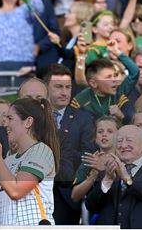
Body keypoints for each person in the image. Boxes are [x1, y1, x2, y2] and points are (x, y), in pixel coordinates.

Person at [0, 98, 60, 225]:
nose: (5, 124)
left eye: (10, 118)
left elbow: (15, 191)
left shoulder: (41, 151)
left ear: (28, 122)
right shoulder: (9, 158)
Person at [85, 125, 142, 228]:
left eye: (129, 140)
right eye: (119, 141)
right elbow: (91, 206)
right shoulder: (108, 171)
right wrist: (107, 180)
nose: (123, 145)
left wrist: (128, 179)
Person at [44, 64, 95, 225]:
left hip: (68, 196)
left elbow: (87, 155)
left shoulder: (84, 118)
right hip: (34, 193)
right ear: (46, 88)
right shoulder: (35, 117)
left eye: (68, 87)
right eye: (58, 87)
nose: (65, 92)